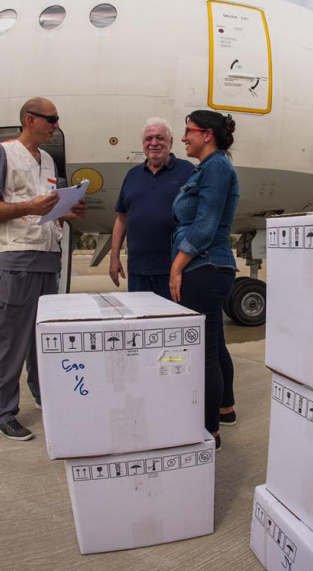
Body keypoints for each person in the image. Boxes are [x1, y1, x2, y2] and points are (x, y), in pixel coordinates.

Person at [0, 97, 86, 441]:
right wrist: (30, 206)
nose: (56, 125)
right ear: (29, 119)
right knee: (9, 338)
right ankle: (3, 412)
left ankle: (42, 395)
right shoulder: (3, 154)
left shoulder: (50, 161)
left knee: (41, 338)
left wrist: (66, 211)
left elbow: (45, 207)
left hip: (46, 256)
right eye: (51, 119)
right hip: (16, 259)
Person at [170, 109, 240, 450]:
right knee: (214, 344)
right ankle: (224, 408)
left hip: (205, 266)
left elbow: (205, 225)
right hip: (208, 266)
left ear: (207, 135)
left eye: (189, 132)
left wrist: (177, 266)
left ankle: (208, 430)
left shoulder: (216, 167)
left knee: (204, 354)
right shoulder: (211, 168)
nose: (184, 138)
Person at [109, 117, 195, 299]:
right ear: (143, 144)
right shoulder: (132, 175)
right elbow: (121, 218)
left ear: (170, 142)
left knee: (173, 324)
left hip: (174, 270)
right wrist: (114, 257)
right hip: (138, 271)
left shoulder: (188, 172)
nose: (154, 143)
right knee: (142, 323)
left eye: (160, 138)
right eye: (148, 139)